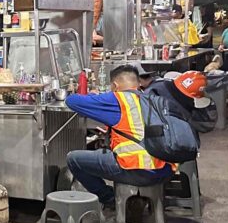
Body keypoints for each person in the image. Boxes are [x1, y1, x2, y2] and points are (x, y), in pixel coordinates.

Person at [65, 65, 174, 207]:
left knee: (73, 159)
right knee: (103, 153)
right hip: (165, 168)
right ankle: (135, 200)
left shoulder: (117, 99)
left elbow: (72, 101)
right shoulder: (150, 98)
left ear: (115, 85)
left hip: (139, 170)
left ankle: (112, 200)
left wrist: (93, 95)